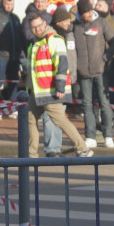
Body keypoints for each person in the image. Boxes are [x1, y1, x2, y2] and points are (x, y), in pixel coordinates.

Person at [23, 11, 91, 157]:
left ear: (45, 23)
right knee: (30, 120)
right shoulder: (37, 43)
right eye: (34, 27)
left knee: (59, 120)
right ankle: (31, 154)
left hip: (51, 90)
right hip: (38, 91)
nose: (37, 29)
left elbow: (61, 64)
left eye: (39, 26)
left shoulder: (53, 39)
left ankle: (83, 148)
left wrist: (60, 87)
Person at [70, 0, 114, 149]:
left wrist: (105, 58)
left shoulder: (102, 23)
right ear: (80, 13)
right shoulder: (74, 27)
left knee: (104, 103)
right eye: (87, 12)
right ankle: (90, 136)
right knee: (86, 104)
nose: (90, 14)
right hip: (83, 72)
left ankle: (108, 135)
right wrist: (75, 68)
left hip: (101, 71)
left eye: (91, 11)